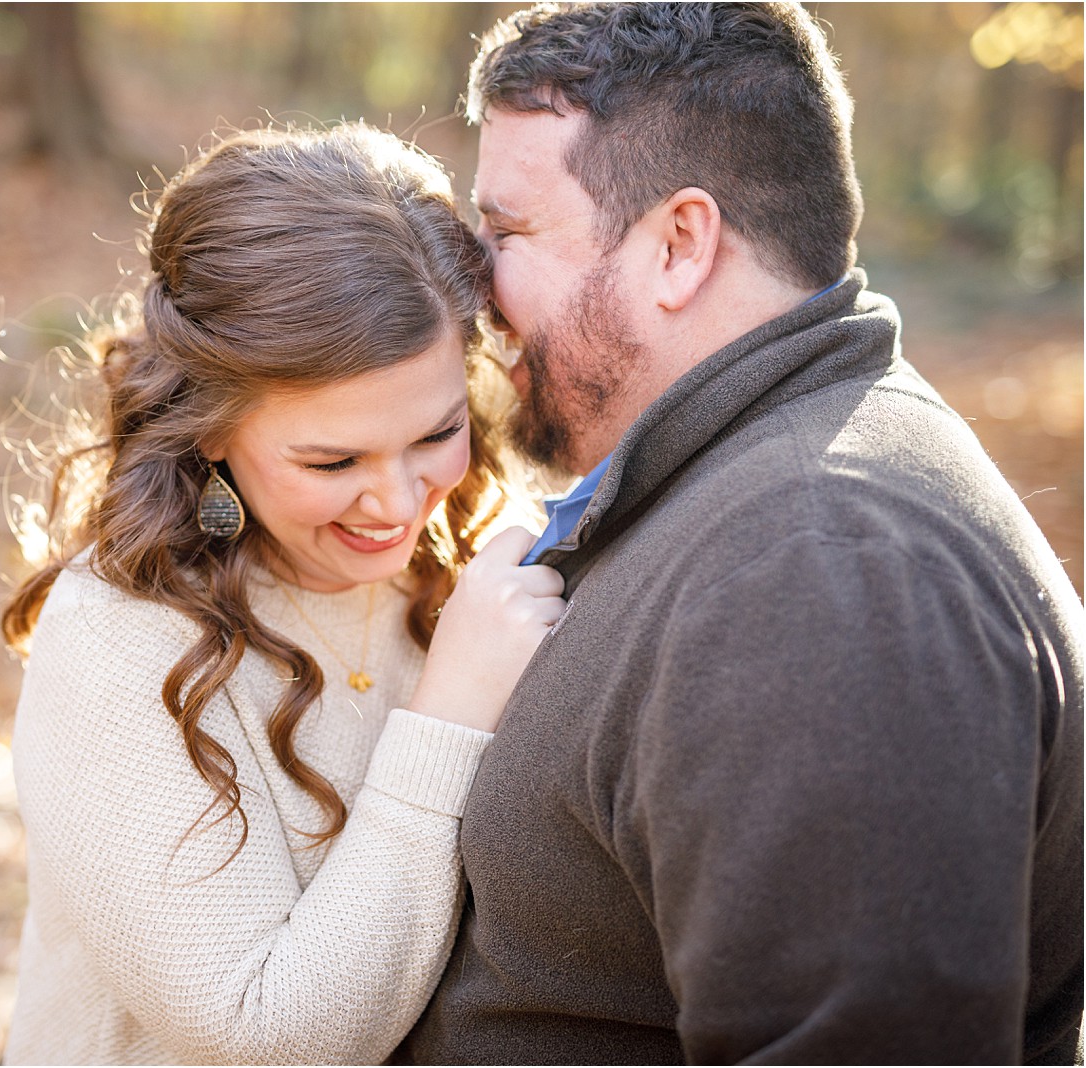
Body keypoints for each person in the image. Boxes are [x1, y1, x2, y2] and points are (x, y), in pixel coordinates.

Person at [399, 3, 1084, 1063]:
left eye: (507, 233)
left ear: (679, 244)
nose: (473, 292)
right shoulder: (746, 494)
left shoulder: (823, 569)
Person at [0, 123, 565, 1065]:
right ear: (214, 429)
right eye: (331, 458)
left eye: (436, 432)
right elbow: (265, 1034)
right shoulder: (118, 638)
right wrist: (452, 712)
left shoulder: (475, 566)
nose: (397, 503)